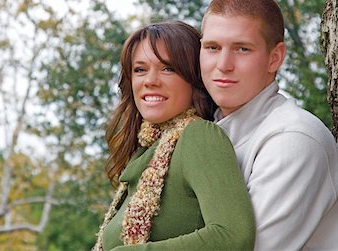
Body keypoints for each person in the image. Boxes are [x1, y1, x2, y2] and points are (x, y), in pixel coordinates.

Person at [199, 0, 338, 250]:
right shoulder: (209, 132)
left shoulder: (293, 139)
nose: (223, 64)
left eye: (242, 49)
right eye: (212, 47)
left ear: (275, 58)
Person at [93, 21, 255, 250]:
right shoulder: (147, 152)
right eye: (140, 69)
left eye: (168, 68)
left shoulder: (199, 136)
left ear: (193, 77)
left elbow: (233, 236)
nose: (150, 80)